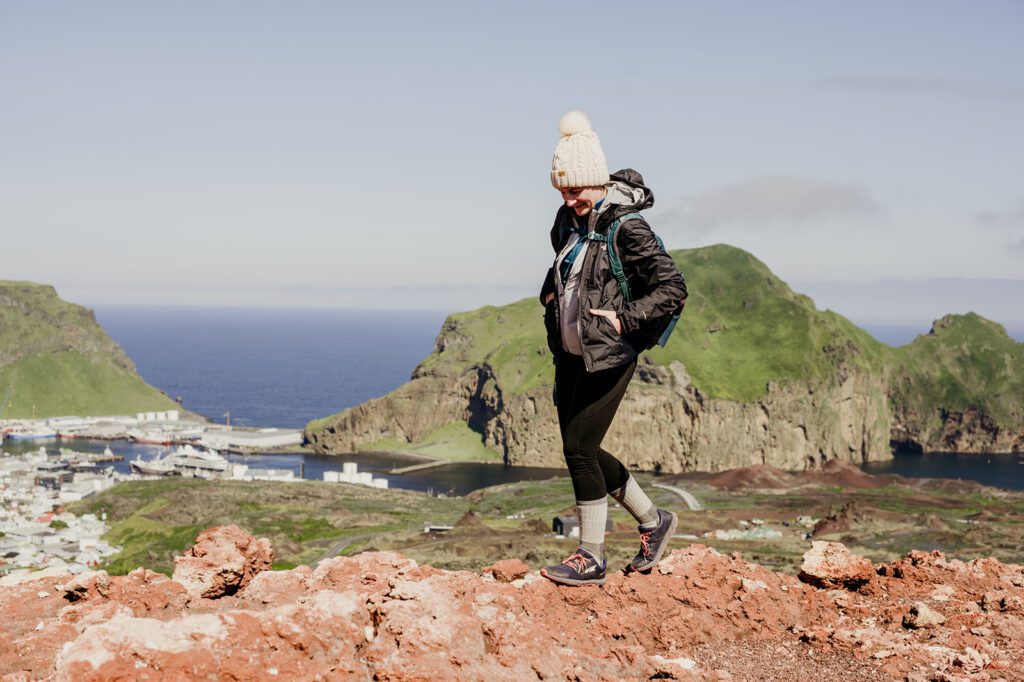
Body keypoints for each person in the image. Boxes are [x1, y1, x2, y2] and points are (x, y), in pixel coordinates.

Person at [538, 110, 688, 587]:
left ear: (595, 181)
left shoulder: (628, 228)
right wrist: (549, 293)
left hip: (609, 353)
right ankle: (653, 521)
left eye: (575, 188)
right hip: (571, 354)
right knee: (582, 448)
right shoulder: (567, 221)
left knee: (580, 450)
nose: (568, 197)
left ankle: (591, 555)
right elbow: (571, 269)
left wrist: (626, 318)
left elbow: (672, 288)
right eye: (562, 189)